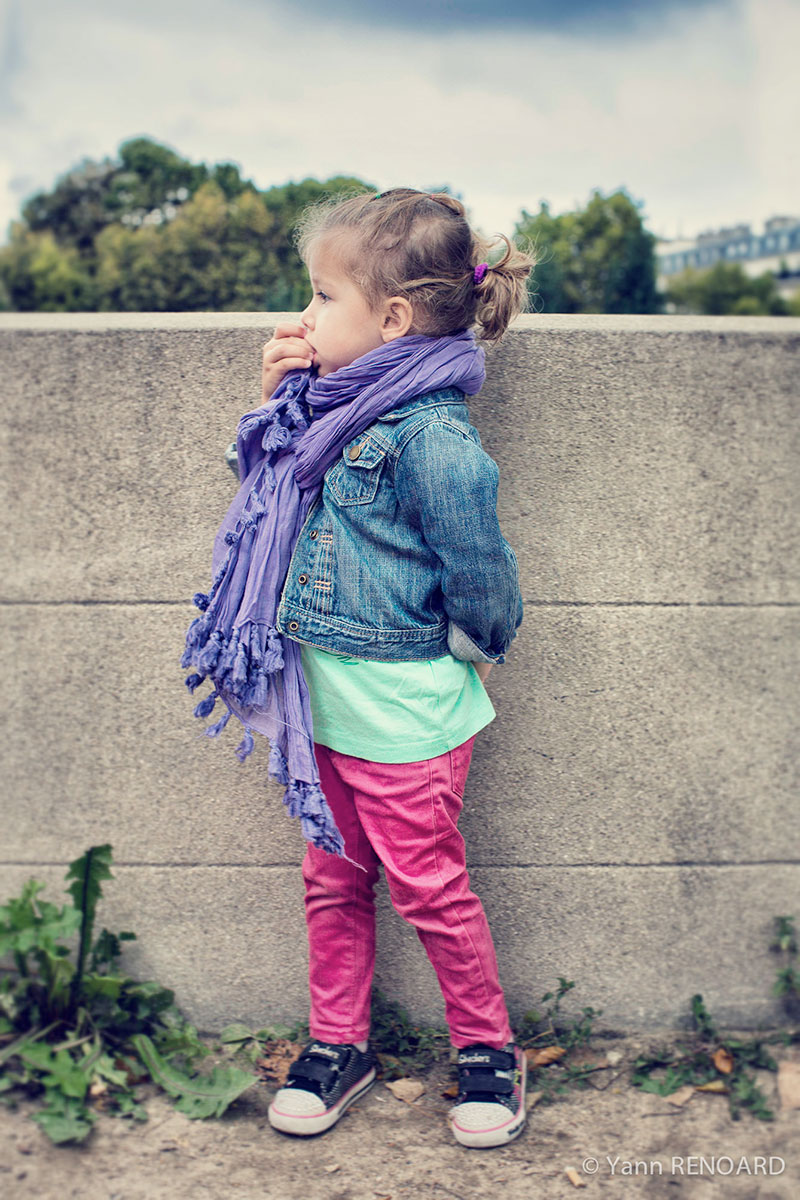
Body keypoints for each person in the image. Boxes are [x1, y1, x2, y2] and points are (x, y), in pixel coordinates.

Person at [182, 188, 532, 1149]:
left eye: (321, 297)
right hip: (320, 708)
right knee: (332, 881)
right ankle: (342, 1044)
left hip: (406, 710)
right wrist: (269, 399)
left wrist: (469, 655)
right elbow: (256, 481)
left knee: (431, 888)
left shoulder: (431, 434)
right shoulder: (321, 403)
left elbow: (482, 572)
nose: (300, 317)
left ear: (391, 320)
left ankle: (488, 1052)